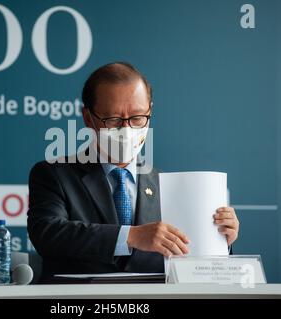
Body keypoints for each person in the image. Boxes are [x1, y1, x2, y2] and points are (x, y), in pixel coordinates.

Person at [27, 62, 239, 282]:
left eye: (137, 118)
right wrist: (131, 236)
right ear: (88, 118)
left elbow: (193, 263)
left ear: (150, 112)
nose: (126, 129)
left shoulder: (167, 186)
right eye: (113, 120)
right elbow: (48, 234)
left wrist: (221, 239)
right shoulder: (54, 175)